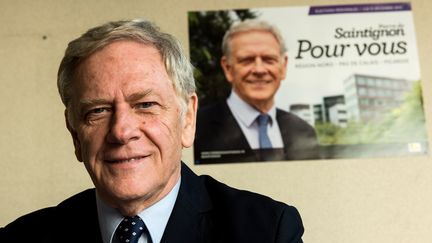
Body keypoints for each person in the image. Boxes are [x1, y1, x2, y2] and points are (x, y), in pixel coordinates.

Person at [0, 19, 304, 243]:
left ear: (187, 119)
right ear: (76, 136)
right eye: (98, 111)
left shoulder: (267, 231)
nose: (121, 131)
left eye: (145, 104)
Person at [194, 19, 320, 164]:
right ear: (227, 68)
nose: (259, 70)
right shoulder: (197, 128)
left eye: (268, 59)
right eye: (247, 60)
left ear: (283, 66)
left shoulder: (304, 131)